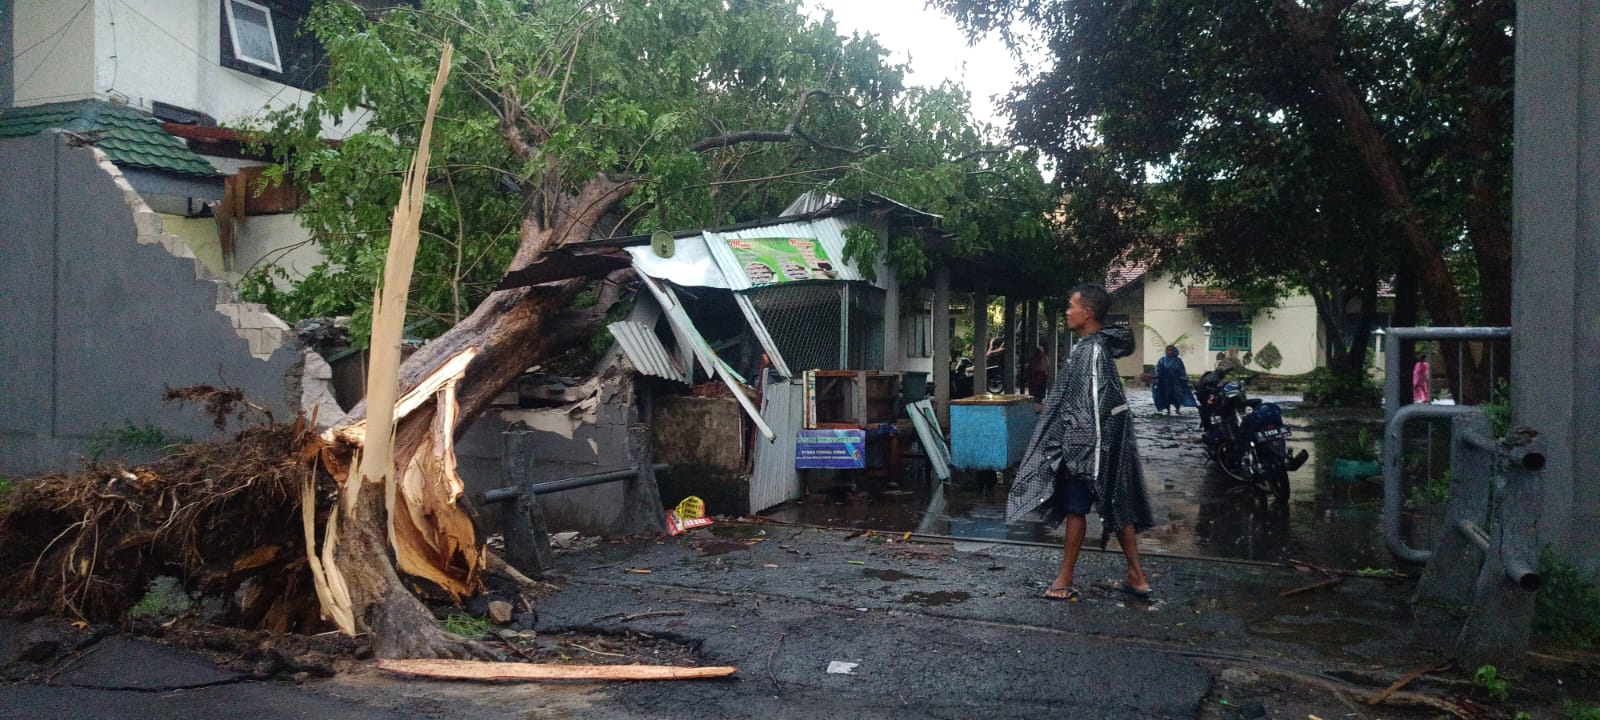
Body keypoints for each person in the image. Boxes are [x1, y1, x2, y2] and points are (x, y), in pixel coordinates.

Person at [1009, 284, 1155, 602]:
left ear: (1087, 312)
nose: (1067, 311)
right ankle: (1137, 576)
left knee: (1076, 509)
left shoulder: (1090, 352)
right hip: (1099, 446)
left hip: (1088, 448)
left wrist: (1078, 453)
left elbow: (1091, 406)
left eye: (1071, 305)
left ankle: (1064, 579)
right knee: (1117, 505)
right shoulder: (1094, 347)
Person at [1152, 345, 1197, 415]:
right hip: (1165, 382)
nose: (1169, 352)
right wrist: (1156, 377)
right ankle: (1168, 410)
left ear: (1174, 351)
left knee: (1177, 395)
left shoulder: (1178, 360)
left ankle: (1177, 409)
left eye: (1171, 350)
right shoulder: (1162, 360)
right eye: (1168, 350)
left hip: (1176, 381)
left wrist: (1184, 378)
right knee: (1166, 396)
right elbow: (1157, 369)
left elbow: (1182, 370)